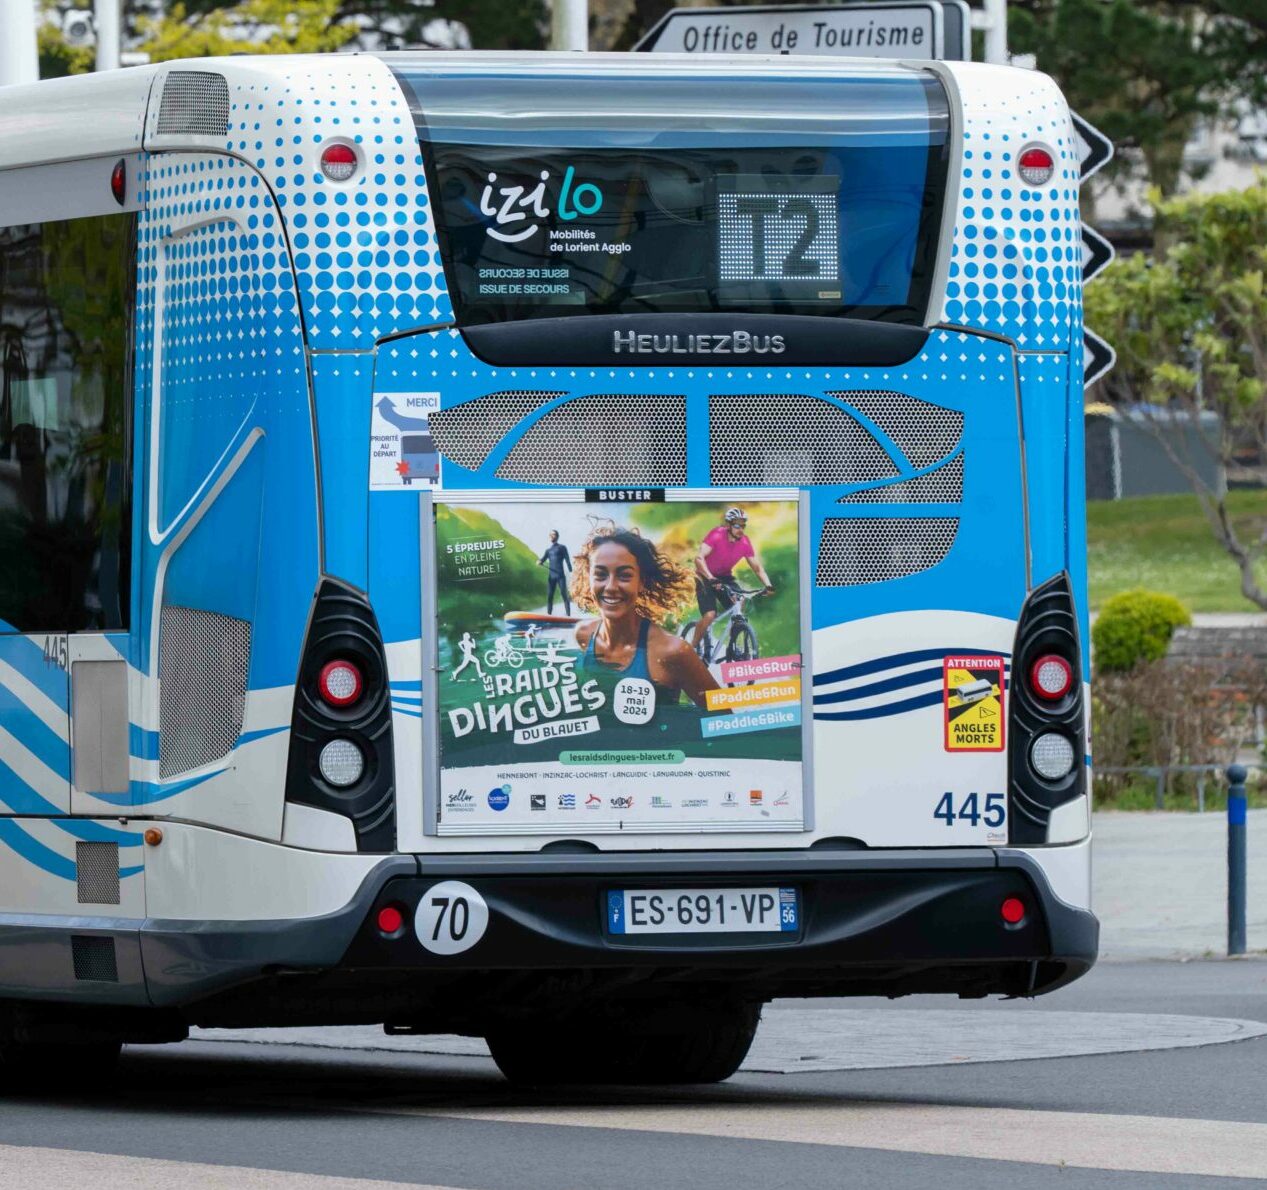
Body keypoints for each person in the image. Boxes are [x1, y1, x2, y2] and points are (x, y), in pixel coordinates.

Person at [572, 524, 720, 710]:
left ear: (641, 582)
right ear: (588, 578)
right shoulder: (584, 635)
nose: (610, 586)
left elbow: (725, 719)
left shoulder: (673, 652)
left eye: (624, 576)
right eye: (600, 575)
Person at [691, 507, 774, 652]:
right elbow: (699, 558)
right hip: (704, 576)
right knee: (710, 615)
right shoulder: (717, 535)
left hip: (724, 577)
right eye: (737, 525)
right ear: (728, 525)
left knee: (739, 603)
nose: (740, 529)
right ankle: (691, 648)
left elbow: (757, 568)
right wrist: (710, 578)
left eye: (743, 525)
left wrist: (768, 585)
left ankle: (733, 644)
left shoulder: (745, 543)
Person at [538, 529, 572, 615]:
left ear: (557, 536)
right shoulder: (548, 550)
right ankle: (549, 616)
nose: (551, 536)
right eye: (550, 535)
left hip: (560, 576)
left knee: (564, 595)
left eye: (553, 534)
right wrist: (539, 561)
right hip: (551, 577)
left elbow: (567, 559)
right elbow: (542, 559)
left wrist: (571, 570)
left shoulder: (562, 547)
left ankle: (569, 616)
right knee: (550, 596)